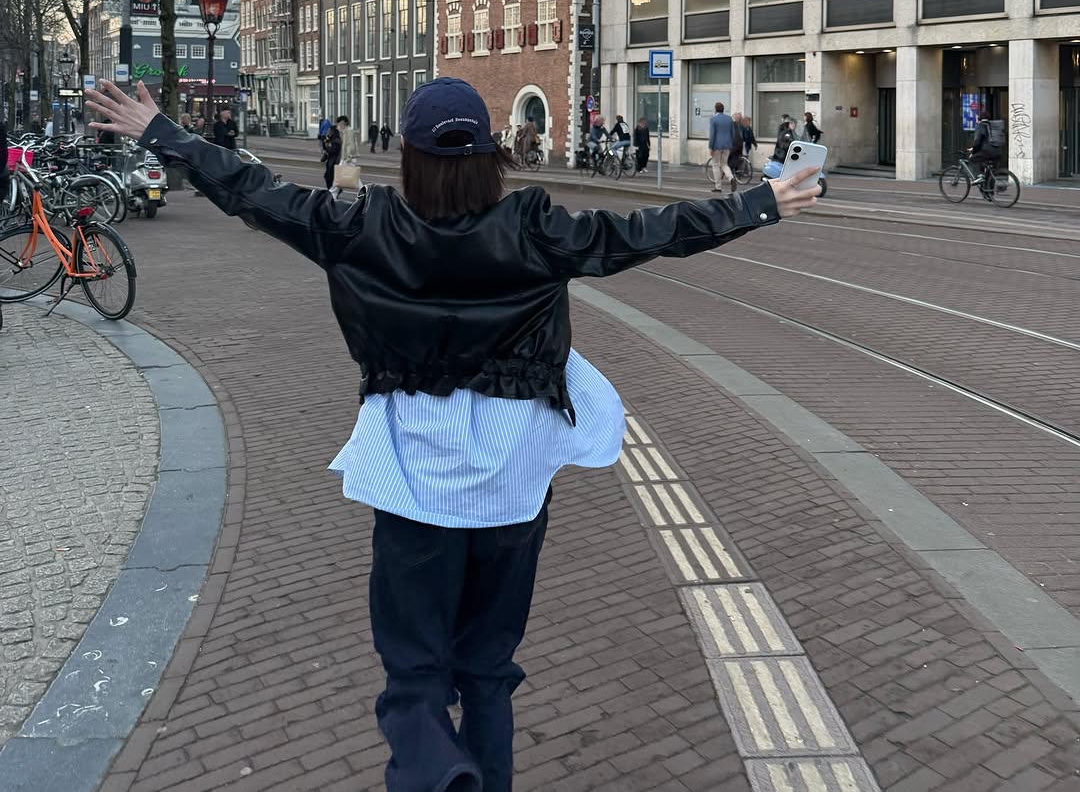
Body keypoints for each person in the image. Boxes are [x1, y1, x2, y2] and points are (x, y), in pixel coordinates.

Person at [84, 75, 820, 792]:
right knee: (488, 672)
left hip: (414, 481)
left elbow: (253, 192)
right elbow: (650, 233)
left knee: (414, 675)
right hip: (513, 485)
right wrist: (759, 203)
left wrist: (164, 133)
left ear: (409, 157)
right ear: (490, 157)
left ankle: (439, 772)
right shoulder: (535, 228)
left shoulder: (360, 227)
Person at [969, 108, 1005, 189]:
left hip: (987, 151)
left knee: (973, 159)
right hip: (998, 151)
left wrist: (973, 151)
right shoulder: (992, 125)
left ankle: (979, 176)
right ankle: (989, 192)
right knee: (990, 171)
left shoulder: (980, 126)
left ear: (979, 117)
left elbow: (977, 141)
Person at [708, 102, 737, 194]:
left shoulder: (713, 119)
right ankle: (731, 178)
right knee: (724, 164)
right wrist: (731, 145)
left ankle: (718, 187)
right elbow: (733, 133)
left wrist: (710, 147)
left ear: (715, 109)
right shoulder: (729, 119)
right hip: (727, 145)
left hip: (717, 145)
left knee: (715, 165)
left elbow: (712, 134)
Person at [323, 114, 344, 193]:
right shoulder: (330, 139)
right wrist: (326, 142)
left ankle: (334, 191)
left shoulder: (336, 140)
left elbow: (333, 150)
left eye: (329, 131)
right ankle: (332, 190)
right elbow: (326, 147)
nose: (328, 132)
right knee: (328, 177)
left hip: (334, 161)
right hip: (330, 161)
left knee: (331, 177)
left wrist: (328, 148)